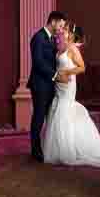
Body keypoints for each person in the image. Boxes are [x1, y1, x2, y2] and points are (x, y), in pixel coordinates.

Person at [43, 20, 100, 168]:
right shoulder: (61, 48)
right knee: (57, 108)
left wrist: (67, 72)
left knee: (64, 109)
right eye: (62, 30)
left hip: (68, 84)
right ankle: (58, 149)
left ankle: (67, 150)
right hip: (59, 84)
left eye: (65, 30)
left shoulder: (73, 49)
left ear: (70, 34)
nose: (62, 31)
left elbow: (82, 67)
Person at [27, 11, 68, 162]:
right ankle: (35, 150)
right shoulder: (38, 37)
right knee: (38, 117)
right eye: (61, 25)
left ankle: (46, 148)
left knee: (50, 117)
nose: (61, 28)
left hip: (50, 85)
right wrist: (56, 75)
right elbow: (38, 63)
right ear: (53, 21)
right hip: (39, 84)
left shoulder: (52, 39)